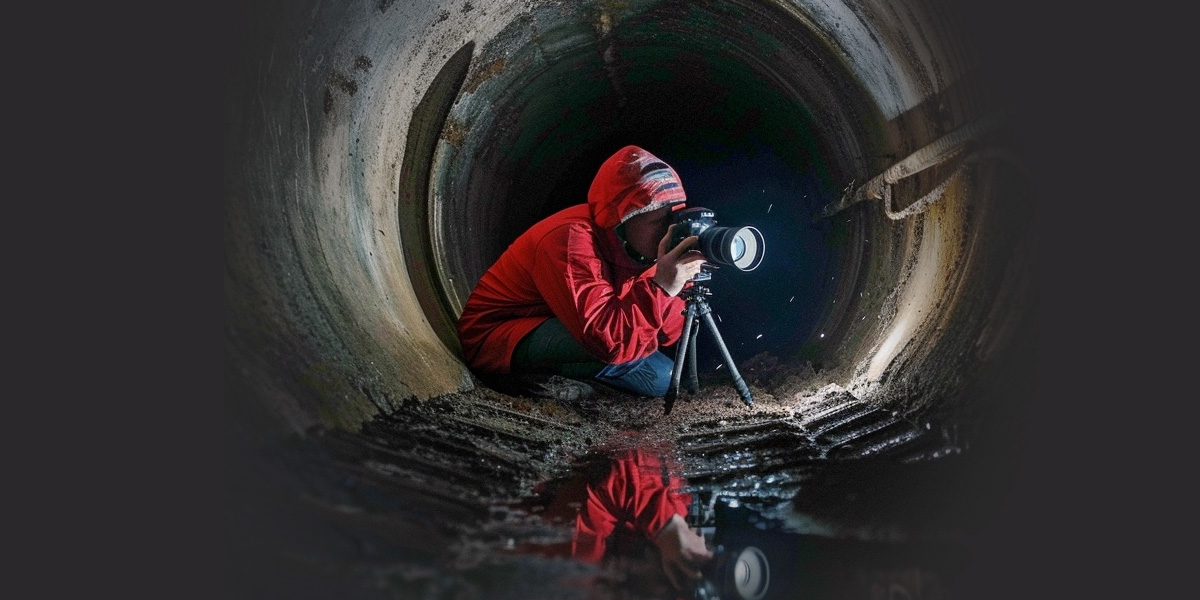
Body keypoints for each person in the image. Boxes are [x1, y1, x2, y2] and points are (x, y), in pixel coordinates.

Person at [456, 145, 707, 399]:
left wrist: (680, 285)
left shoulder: (645, 247)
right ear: (623, 218)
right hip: (500, 334)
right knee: (636, 362)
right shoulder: (569, 240)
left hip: (569, 322)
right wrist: (661, 288)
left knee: (663, 378)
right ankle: (522, 379)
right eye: (658, 221)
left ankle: (571, 376)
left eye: (673, 218)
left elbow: (667, 334)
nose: (669, 230)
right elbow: (608, 339)